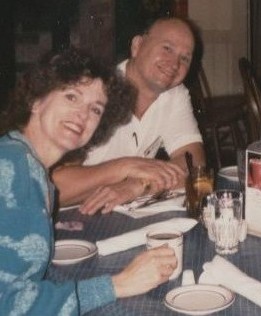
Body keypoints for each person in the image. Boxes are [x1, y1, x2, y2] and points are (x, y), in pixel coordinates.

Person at [0, 48, 179, 314]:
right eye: (72, 96)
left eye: (95, 109)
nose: (83, 115)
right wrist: (119, 284)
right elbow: (9, 305)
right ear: (37, 101)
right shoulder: (15, 166)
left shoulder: (29, 164)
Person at [52, 17, 205, 215]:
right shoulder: (92, 92)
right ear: (137, 45)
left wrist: (139, 184)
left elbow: (194, 162)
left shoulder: (174, 94)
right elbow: (51, 187)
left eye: (185, 58)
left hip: (122, 215)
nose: (174, 63)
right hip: (72, 218)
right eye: (167, 48)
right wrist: (124, 168)